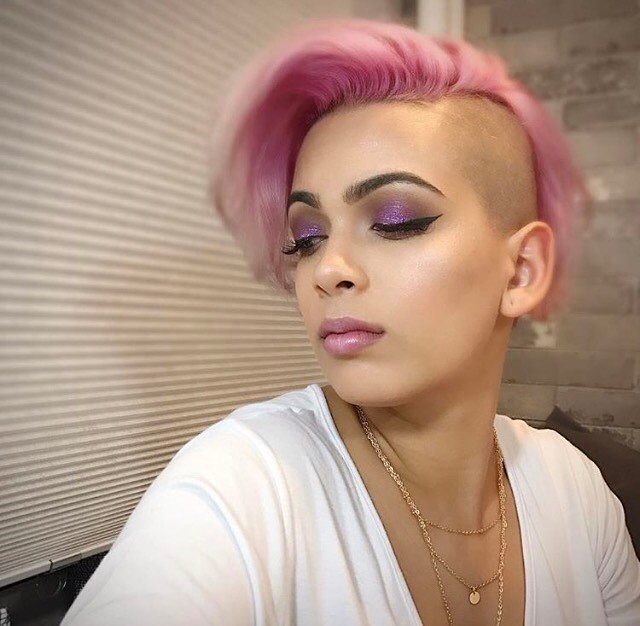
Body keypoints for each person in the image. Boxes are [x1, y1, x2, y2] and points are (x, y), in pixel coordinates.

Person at [61, 18, 640, 626]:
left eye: (395, 220)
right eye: (307, 237)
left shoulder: (575, 490)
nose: (327, 269)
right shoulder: (241, 486)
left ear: (520, 271)